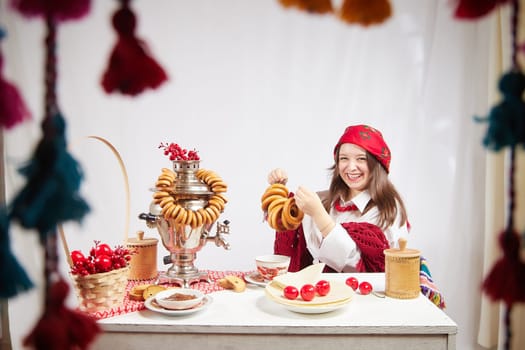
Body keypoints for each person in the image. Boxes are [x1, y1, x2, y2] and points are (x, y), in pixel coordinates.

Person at [267, 124, 409, 273]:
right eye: (344, 158)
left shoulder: (389, 210)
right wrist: (279, 191)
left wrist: (320, 217)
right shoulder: (324, 200)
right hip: (319, 291)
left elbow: (362, 269)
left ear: (377, 164)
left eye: (361, 159)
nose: (351, 167)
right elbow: (286, 221)